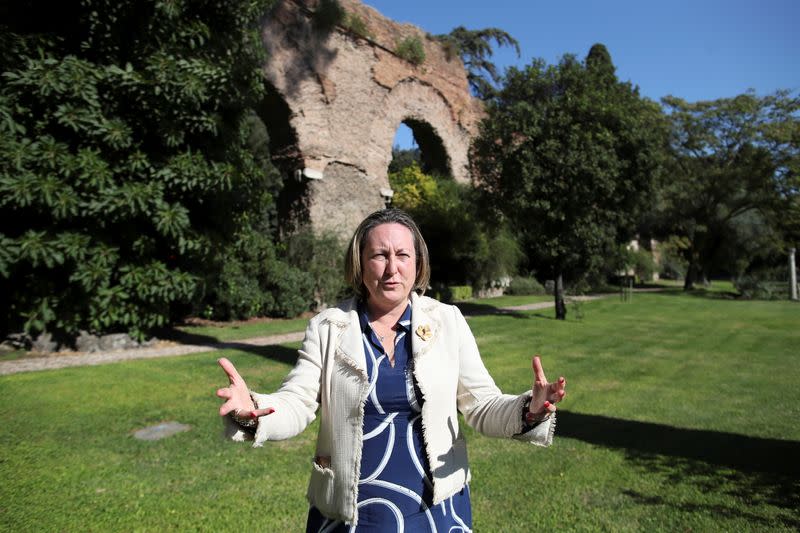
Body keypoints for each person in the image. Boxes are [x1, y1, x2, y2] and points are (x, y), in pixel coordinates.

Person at [216, 208, 567, 532]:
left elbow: (482, 406)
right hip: (350, 513)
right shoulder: (328, 327)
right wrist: (254, 414)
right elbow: (298, 402)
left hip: (436, 510)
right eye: (379, 255)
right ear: (360, 262)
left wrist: (530, 411)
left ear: (418, 263)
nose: (391, 268)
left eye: (402, 255)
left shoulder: (447, 321)